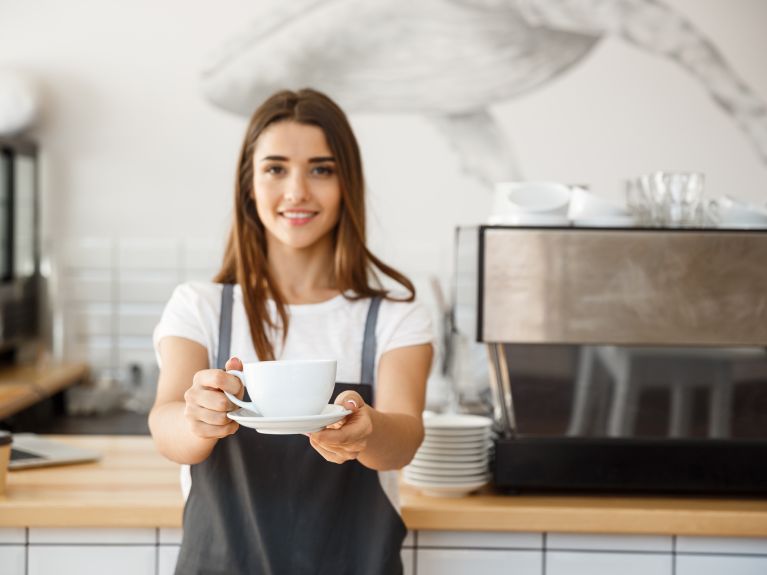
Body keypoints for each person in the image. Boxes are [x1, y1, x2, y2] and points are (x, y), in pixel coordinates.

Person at [149, 88, 434, 574]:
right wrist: (197, 417)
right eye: (276, 168)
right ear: (249, 184)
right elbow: (165, 424)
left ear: (348, 184)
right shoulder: (199, 306)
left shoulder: (394, 317)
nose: (297, 191)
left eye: (321, 169)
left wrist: (367, 433)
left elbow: (404, 439)